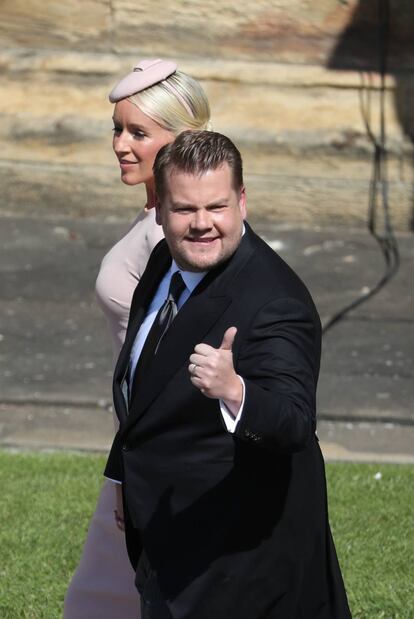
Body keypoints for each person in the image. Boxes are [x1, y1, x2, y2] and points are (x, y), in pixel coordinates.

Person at [105, 130, 352, 618]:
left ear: (242, 200)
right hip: (167, 536)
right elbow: (143, 382)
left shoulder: (275, 300)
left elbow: (294, 422)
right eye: (184, 210)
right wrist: (122, 477)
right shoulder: (163, 263)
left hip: (237, 564)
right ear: (160, 210)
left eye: (216, 207)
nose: (201, 225)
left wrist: (236, 391)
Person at [63, 60, 210, 619]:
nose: (121, 145)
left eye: (139, 133)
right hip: (141, 446)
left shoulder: (179, 233)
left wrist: (131, 465)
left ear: (184, 139)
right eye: (117, 130)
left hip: (161, 454)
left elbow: (179, 362)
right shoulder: (156, 216)